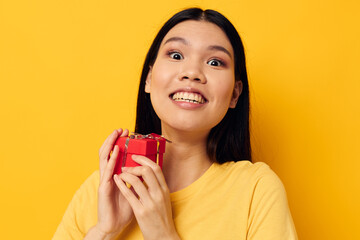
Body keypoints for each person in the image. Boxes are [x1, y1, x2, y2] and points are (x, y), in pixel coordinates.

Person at [53, 8, 298, 240]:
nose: (192, 72)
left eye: (214, 62)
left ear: (235, 94)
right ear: (148, 79)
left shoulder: (256, 190)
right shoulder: (103, 187)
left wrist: (163, 234)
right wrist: (105, 230)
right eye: (176, 55)